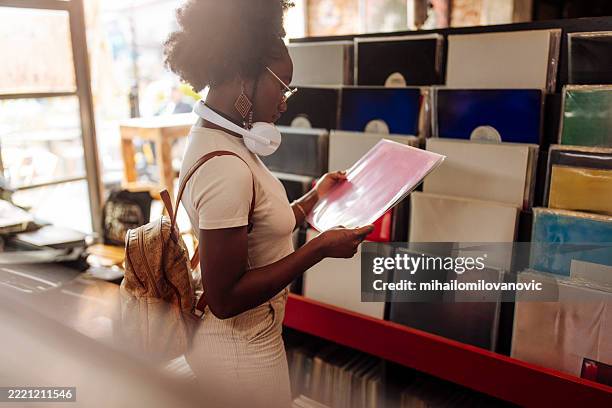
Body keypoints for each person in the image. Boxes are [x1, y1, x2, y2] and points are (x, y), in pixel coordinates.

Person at [164, 1, 373, 406]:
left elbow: (258, 229)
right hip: (241, 356)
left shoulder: (218, 138)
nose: (285, 101)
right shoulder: (225, 167)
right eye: (283, 85)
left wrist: (314, 198)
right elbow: (225, 299)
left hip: (250, 344)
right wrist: (319, 249)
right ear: (245, 76)